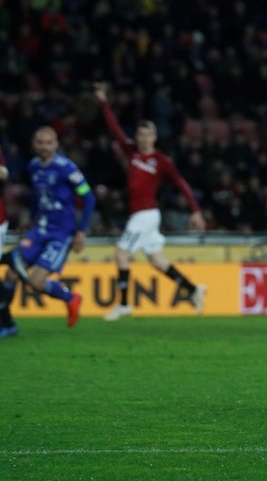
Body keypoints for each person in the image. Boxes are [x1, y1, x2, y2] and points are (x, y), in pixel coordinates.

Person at [94, 83, 206, 321]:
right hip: (142, 215)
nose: (143, 138)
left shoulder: (160, 160)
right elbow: (114, 129)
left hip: (146, 214)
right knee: (157, 260)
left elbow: (181, 184)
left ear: (155, 137)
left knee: (121, 254)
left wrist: (195, 210)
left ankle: (124, 304)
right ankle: (194, 290)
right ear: (137, 136)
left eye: (148, 134)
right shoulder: (131, 152)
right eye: (140, 134)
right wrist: (104, 101)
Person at [0, 127, 94, 337]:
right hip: (39, 231)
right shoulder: (33, 166)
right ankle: (7, 324)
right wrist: (30, 220)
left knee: (36, 282)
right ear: (35, 144)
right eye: (40, 142)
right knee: (10, 273)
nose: (44, 147)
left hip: (60, 234)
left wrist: (82, 231)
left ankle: (70, 298)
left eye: (48, 142)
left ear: (56, 144)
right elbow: (37, 197)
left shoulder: (66, 168)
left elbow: (88, 197)